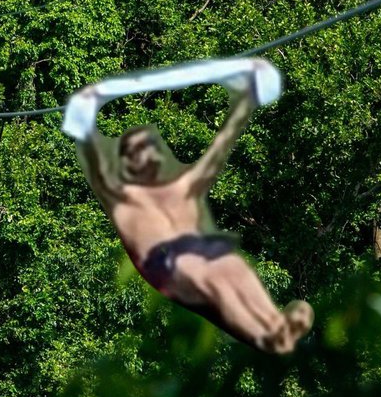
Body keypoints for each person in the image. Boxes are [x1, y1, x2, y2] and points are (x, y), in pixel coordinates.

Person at [64, 58, 314, 354]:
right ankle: (263, 336)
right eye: (140, 151)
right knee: (206, 274)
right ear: (129, 161)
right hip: (163, 264)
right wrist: (85, 123)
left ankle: (276, 325)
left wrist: (247, 100)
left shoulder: (179, 187)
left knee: (232, 266)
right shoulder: (125, 195)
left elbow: (219, 148)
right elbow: (99, 173)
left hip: (192, 253)